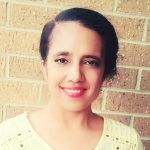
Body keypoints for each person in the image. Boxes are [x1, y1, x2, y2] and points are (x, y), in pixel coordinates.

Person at [0, 8, 143, 150]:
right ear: (44, 67)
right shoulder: (8, 138)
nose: (75, 76)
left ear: (104, 71)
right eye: (62, 60)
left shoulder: (127, 142)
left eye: (90, 62)